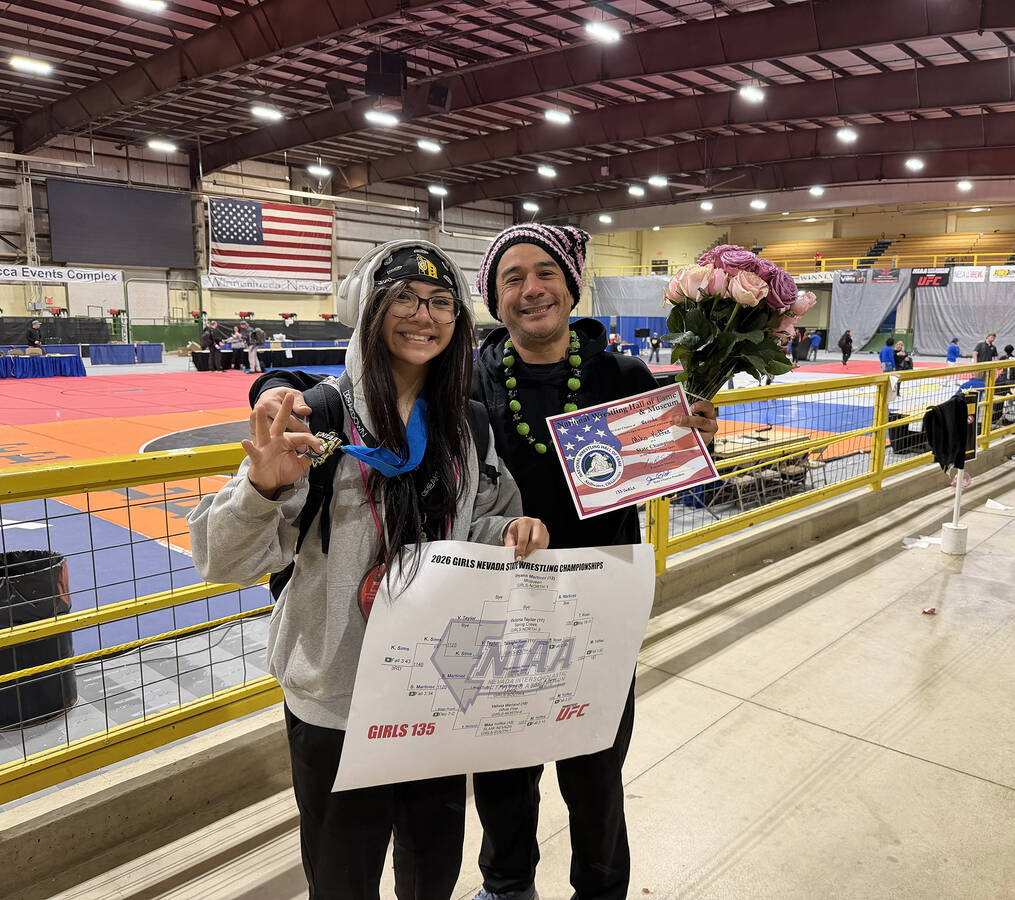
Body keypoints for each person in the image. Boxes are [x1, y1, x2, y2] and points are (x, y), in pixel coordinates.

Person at [250, 225, 719, 900]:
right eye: (511, 278)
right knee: (501, 768)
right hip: (490, 604)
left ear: (571, 284)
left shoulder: (622, 375)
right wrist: (274, 382)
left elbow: (672, 475)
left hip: (594, 605)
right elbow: (375, 374)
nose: (531, 291)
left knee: (595, 771)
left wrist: (696, 438)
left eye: (545, 274)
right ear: (494, 300)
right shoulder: (471, 381)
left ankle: (600, 889)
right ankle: (507, 884)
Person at [191, 240, 549, 900]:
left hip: (436, 688)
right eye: (406, 299)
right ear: (369, 309)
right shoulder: (320, 418)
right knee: (343, 878)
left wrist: (511, 533)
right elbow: (222, 560)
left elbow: (472, 527)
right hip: (339, 697)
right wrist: (261, 490)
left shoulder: (466, 423)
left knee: (433, 869)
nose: (426, 315)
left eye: (443, 302)